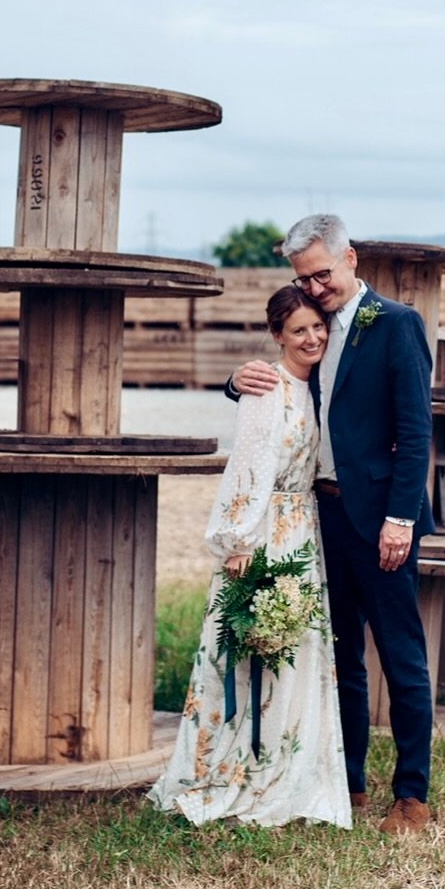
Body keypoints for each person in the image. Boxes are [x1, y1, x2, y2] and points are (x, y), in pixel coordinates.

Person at [227, 214, 435, 835]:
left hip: (382, 522)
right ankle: (348, 784)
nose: (316, 288)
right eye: (305, 279)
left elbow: (416, 432)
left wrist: (400, 519)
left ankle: (412, 796)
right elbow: (285, 387)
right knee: (339, 654)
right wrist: (234, 384)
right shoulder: (314, 333)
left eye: (323, 274)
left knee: (401, 657)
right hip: (322, 518)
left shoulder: (396, 324)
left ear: (352, 258)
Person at [147, 285, 351, 829]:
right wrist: (238, 544)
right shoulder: (266, 388)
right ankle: (234, 769)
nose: (312, 338)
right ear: (278, 336)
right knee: (245, 654)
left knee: (297, 652)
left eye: (317, 327)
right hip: (263, 535)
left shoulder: (321, 387)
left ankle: (291, 768)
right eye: (299, 330)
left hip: (303, 532)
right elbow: (248, 470)